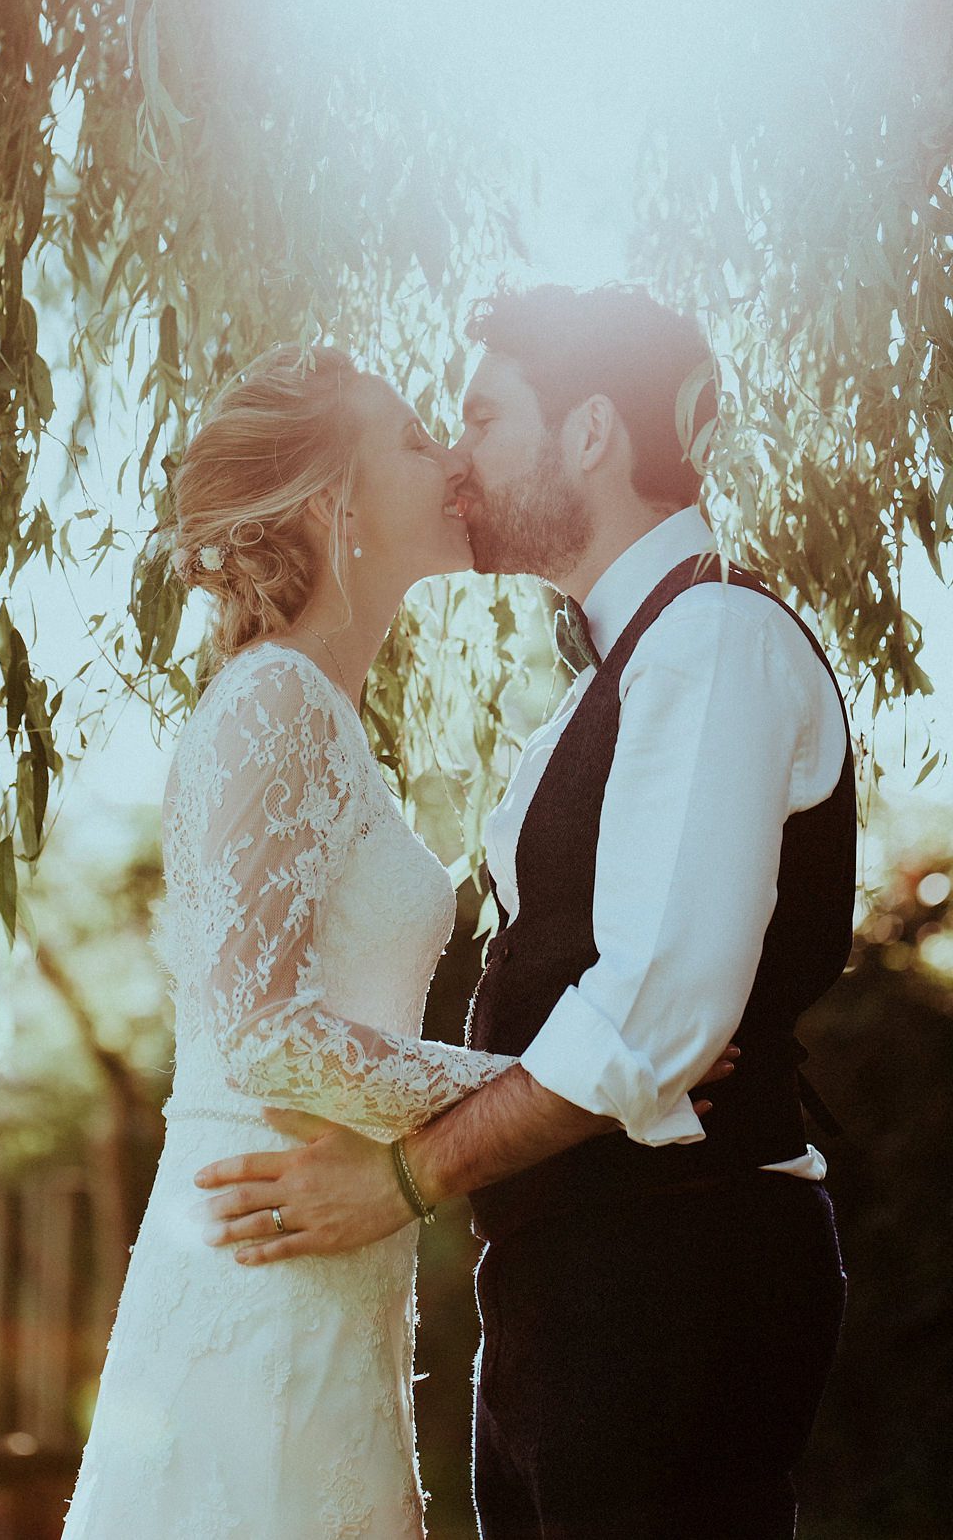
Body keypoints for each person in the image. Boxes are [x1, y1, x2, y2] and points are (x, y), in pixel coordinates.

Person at [196, 284, 855, 1540]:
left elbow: (650, 1011)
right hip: (588, 1279)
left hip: (681, 1271)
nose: (459, 458)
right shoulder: (616, 671)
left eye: (485, 416)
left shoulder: (713, 638)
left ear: (592, 432)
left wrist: (401, 1176)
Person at [62, 344, 526, 1539]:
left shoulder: (319, 710)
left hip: (327, 1267)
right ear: (339, 501)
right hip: (259, 1268)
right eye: (418, 440)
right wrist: (535, 1090)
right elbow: (260, 1031)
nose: (453, 458)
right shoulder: (273, 704)